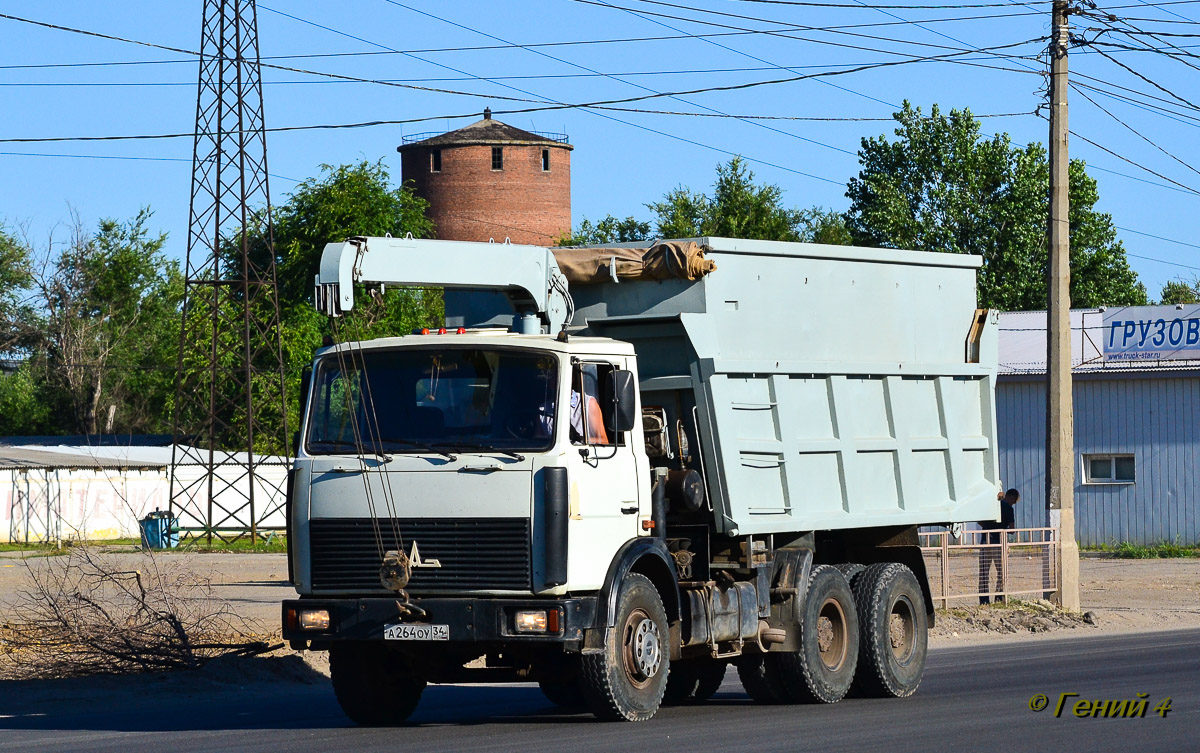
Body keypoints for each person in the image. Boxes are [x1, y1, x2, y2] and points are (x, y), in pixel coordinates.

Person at [978, 488, 1020, 604]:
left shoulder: (992, 506)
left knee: (983, 573)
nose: (1013, 503)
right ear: (1011, 497)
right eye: (1014, 501)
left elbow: (980, 522)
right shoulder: (1008, 509)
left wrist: (989, 527)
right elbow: (1012, 529)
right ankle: (999, 598)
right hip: (998, 543)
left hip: (985, 541)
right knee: (1001, 572)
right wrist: (1002, 529)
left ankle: (984, 600)